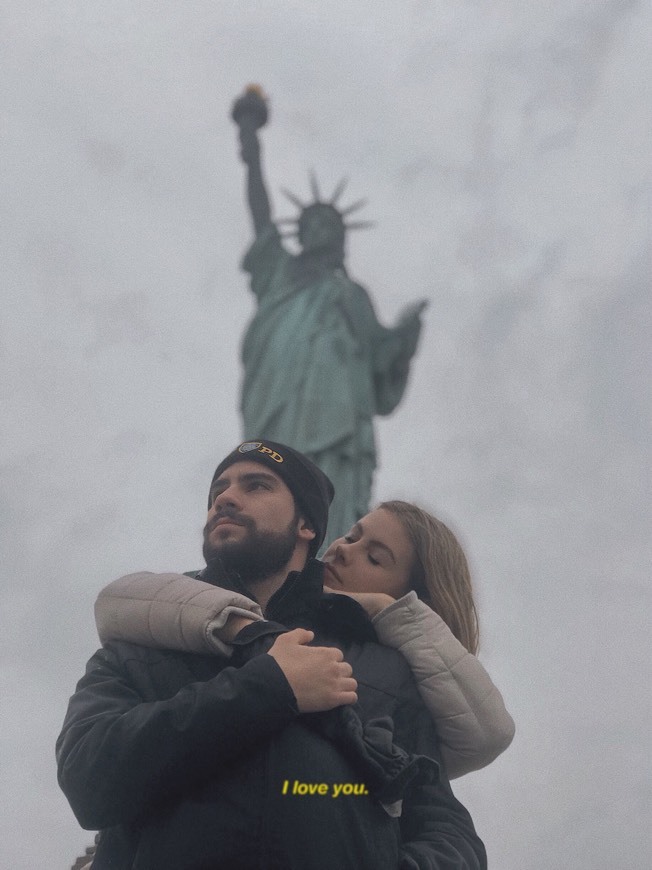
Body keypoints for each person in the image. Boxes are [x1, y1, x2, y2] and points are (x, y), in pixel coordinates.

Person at [57, 439, 487, 870]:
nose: (225, 497)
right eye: (218, 489)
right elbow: (87, 777)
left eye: (257, 485)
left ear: (306, 524)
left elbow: (443, 826)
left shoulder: (382, 669)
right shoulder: (144, 643)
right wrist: (268, 687)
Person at [96, 505, 514, 779]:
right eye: (351, 536)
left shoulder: (401, 694)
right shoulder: (254, 600)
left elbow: (487, 731)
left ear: (413, 596)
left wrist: (388, 610)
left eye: (375, 557)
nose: (344, 551)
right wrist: (244, 629)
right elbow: (120, 601)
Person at [232, 86, 428, 541]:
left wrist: (403, 339)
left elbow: (379, 363)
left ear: (341, 239)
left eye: (329, 225)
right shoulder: (279, 271)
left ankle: (323, 562)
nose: (319, 229)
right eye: (311, 223)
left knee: (329, 480)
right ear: (299, 233)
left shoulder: (352, 295)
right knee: (268, 470)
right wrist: (250, 145)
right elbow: (260, 210)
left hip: (338, 399)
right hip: (277, 391)